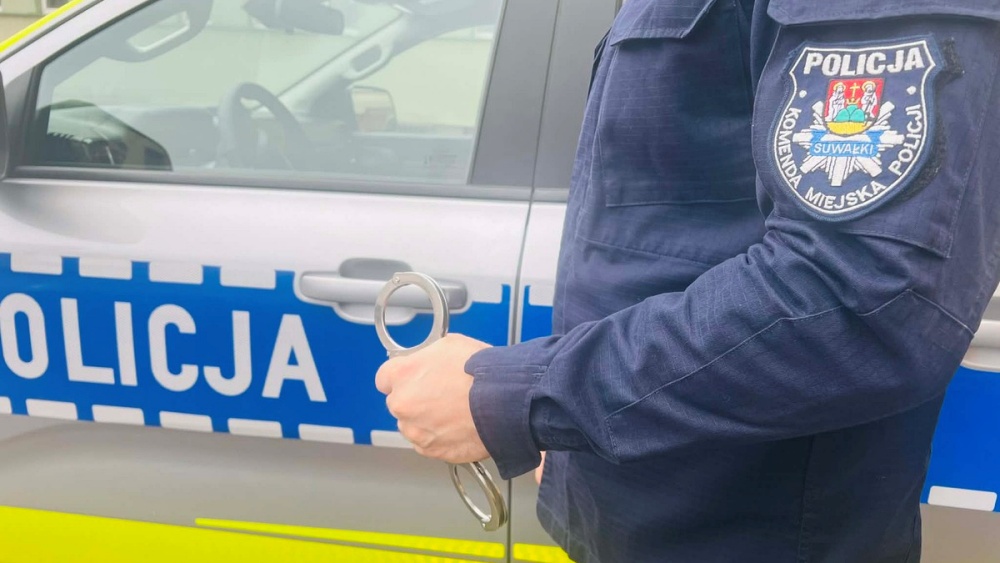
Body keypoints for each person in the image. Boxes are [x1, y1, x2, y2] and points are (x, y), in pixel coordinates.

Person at [376, 1, 1000, 561]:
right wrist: (570, 436)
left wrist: (526, 398)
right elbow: (667, 236)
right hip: (635, 505)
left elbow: (860, 296)